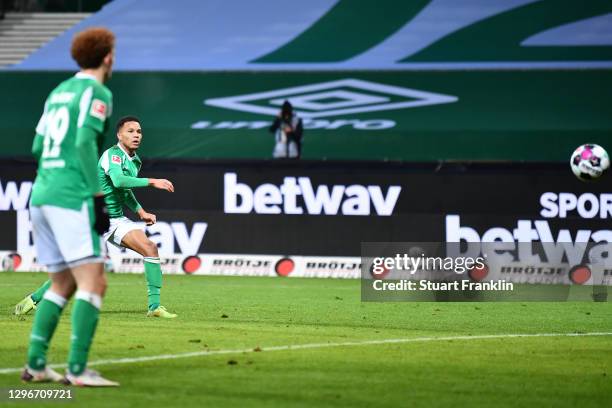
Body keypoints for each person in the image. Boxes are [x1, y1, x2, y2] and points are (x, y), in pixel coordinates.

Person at [21, 27, 117, 387]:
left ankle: (36, 364)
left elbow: (36, 146)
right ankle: (78, 370)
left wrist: (53, 174)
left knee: (61, 282)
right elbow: (82, 143)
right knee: (95, 282)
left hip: (42, 194)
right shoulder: (99, 92)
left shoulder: (58, 91)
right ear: (107, 56)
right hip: (71, 196)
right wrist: (96, 197)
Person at [15, 116, 178, 319]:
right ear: (119, 135)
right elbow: (118, 181)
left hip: (115, 219)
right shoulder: (113, 155)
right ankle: (34, 299)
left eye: (139, 131)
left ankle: (154, 307)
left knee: (150, 248)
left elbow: (124, 190)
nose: (136, 135)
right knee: (75, 270)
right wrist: (152, 181)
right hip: (93, 217)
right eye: (131, 131)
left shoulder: (135, 160)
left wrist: (140, 211)